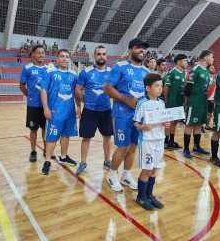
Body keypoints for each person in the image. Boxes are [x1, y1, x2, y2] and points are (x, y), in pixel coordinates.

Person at [104, 38, 150, 192]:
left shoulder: (146, 72)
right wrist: (126, 100)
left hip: (138, 117)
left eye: (143, 48)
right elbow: (108, 88)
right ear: (130, 50)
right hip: (121, 113)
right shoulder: (120, 67)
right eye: (138, 47)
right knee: (122, 147)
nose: (141, 50)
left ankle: (126, 176)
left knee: (133, 147)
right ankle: (112, 175)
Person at [40, 49, 81, 175]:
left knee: (66, 135)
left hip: (69, 112)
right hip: (55, 112)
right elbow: (43, 90)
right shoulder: (50, 72)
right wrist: (46, 108)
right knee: (52, 137)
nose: (65, 59)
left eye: (67, 57)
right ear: (57, 58)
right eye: (62, 56)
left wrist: (79, 107)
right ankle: (47, 161)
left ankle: (63, 157)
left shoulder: (73, 75)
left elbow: (77, 93)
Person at [75, 45, 113, 175]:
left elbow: (116, 90)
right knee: (86, 138)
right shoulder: (86, 72)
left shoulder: (111, 72)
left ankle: (107, 160)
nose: (101, 56)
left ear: (106, 56)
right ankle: (83, 162)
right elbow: (78, 90)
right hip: (90, 110)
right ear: (94, 56)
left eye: (103, 54)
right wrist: (84, 103)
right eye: (99, 54)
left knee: (107, 136)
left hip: (106, 110)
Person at [133, 73, 169, 210]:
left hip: (159, 140)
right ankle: (140, 196)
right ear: (148, 87)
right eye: (157, 86)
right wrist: (143, 127)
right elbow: (135, 122)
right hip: (147, 140)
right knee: (147, 170)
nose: (160, 89)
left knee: (154, 169)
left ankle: (149, 194)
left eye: (161, 86)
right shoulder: (142, 103)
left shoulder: (161, 103)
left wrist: (166, 123)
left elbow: (164, 119)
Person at [20, 45, 50, 162]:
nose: (41, 55)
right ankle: (33, 151)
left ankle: (46, 149)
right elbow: (22, 85)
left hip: (45, 106)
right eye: (38, 53)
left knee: (45, 129)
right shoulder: (27, 68)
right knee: (33, 129)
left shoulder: (48, 69)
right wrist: (29, 96)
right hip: (33, 105)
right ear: (33, 55)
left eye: (43, 53)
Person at [183, 50, 213, 159]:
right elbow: (188, 87)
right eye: (211, 57)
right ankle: (186, 149)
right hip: (194, 101)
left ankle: (196, 147)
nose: (213, 59)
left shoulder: (206, 71)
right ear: (205, 58)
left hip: (203, 101)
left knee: (199, 125)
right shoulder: (196, 70)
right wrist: (187, 100)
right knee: (190, 125)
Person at [163, 54, 187, 150]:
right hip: (172, 101)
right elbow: (166, 87)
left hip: (180, 101)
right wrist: (166, 99)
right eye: (185, 60)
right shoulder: (172, 72)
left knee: (175, 121)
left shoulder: (183, 73)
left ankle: (172, 141)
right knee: (170, 121)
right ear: (178, 62)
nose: (186, 62)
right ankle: (166, 141)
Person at [205, 64, 216, 130]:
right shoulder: (206, 77)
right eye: (212, 68)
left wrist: (214, 97)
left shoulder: (214, 78)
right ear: (208, 69)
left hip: (212, 98)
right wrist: (213, 84)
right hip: (206, 97)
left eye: (214, 68)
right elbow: (205, 88)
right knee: (204, 112)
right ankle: (199, 126)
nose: (213, 69)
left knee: (209, 113)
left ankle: (207, 126)